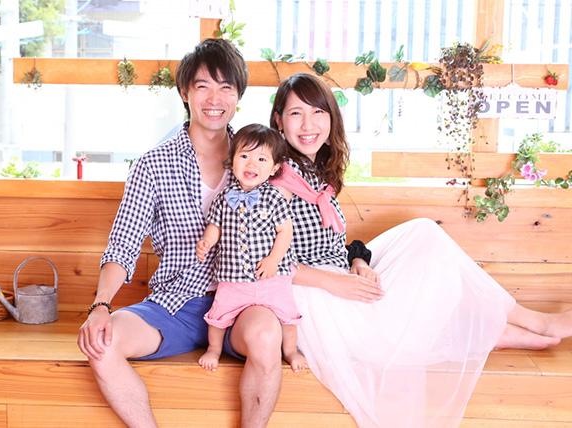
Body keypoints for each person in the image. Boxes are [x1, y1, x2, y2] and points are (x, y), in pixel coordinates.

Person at [267, 72, 572, 428]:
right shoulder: (272, 175)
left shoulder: (316, 171)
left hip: (335, 274)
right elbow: (261, 258)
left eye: (318, 112)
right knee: (405, 297)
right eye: (296, 113)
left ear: (331, 118)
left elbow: (331, 244)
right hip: (306, 295)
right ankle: (513, 327)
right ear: (279, 120)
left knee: (423, 233)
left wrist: (357, 262)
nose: (309, 125)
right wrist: (336, 283)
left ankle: (502, 327)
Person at [77, 39, 283, 428]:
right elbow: (123, 245)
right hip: (175, 304)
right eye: (203, 86)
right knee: (101, 344)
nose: (215, 99)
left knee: (267, 335)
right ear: (185, 93)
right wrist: (101, 305)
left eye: (226, 87)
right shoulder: (152, 165)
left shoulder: (260, 159)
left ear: (238, 96)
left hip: (242, 301)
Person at [196, 123, 306, 373]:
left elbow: (285, 231)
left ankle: (291, 350)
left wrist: (273, 260)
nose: (251, 164)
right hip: (232, 277)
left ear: (274, 168)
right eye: (244, 156)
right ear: (232, 160)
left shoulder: (275, 198)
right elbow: (215, 226)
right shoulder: (224, 197)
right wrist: (207, 242)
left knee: (288, 315)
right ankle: (213, 349)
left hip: (270, 277)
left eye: (261, 159)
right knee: (218, 315)